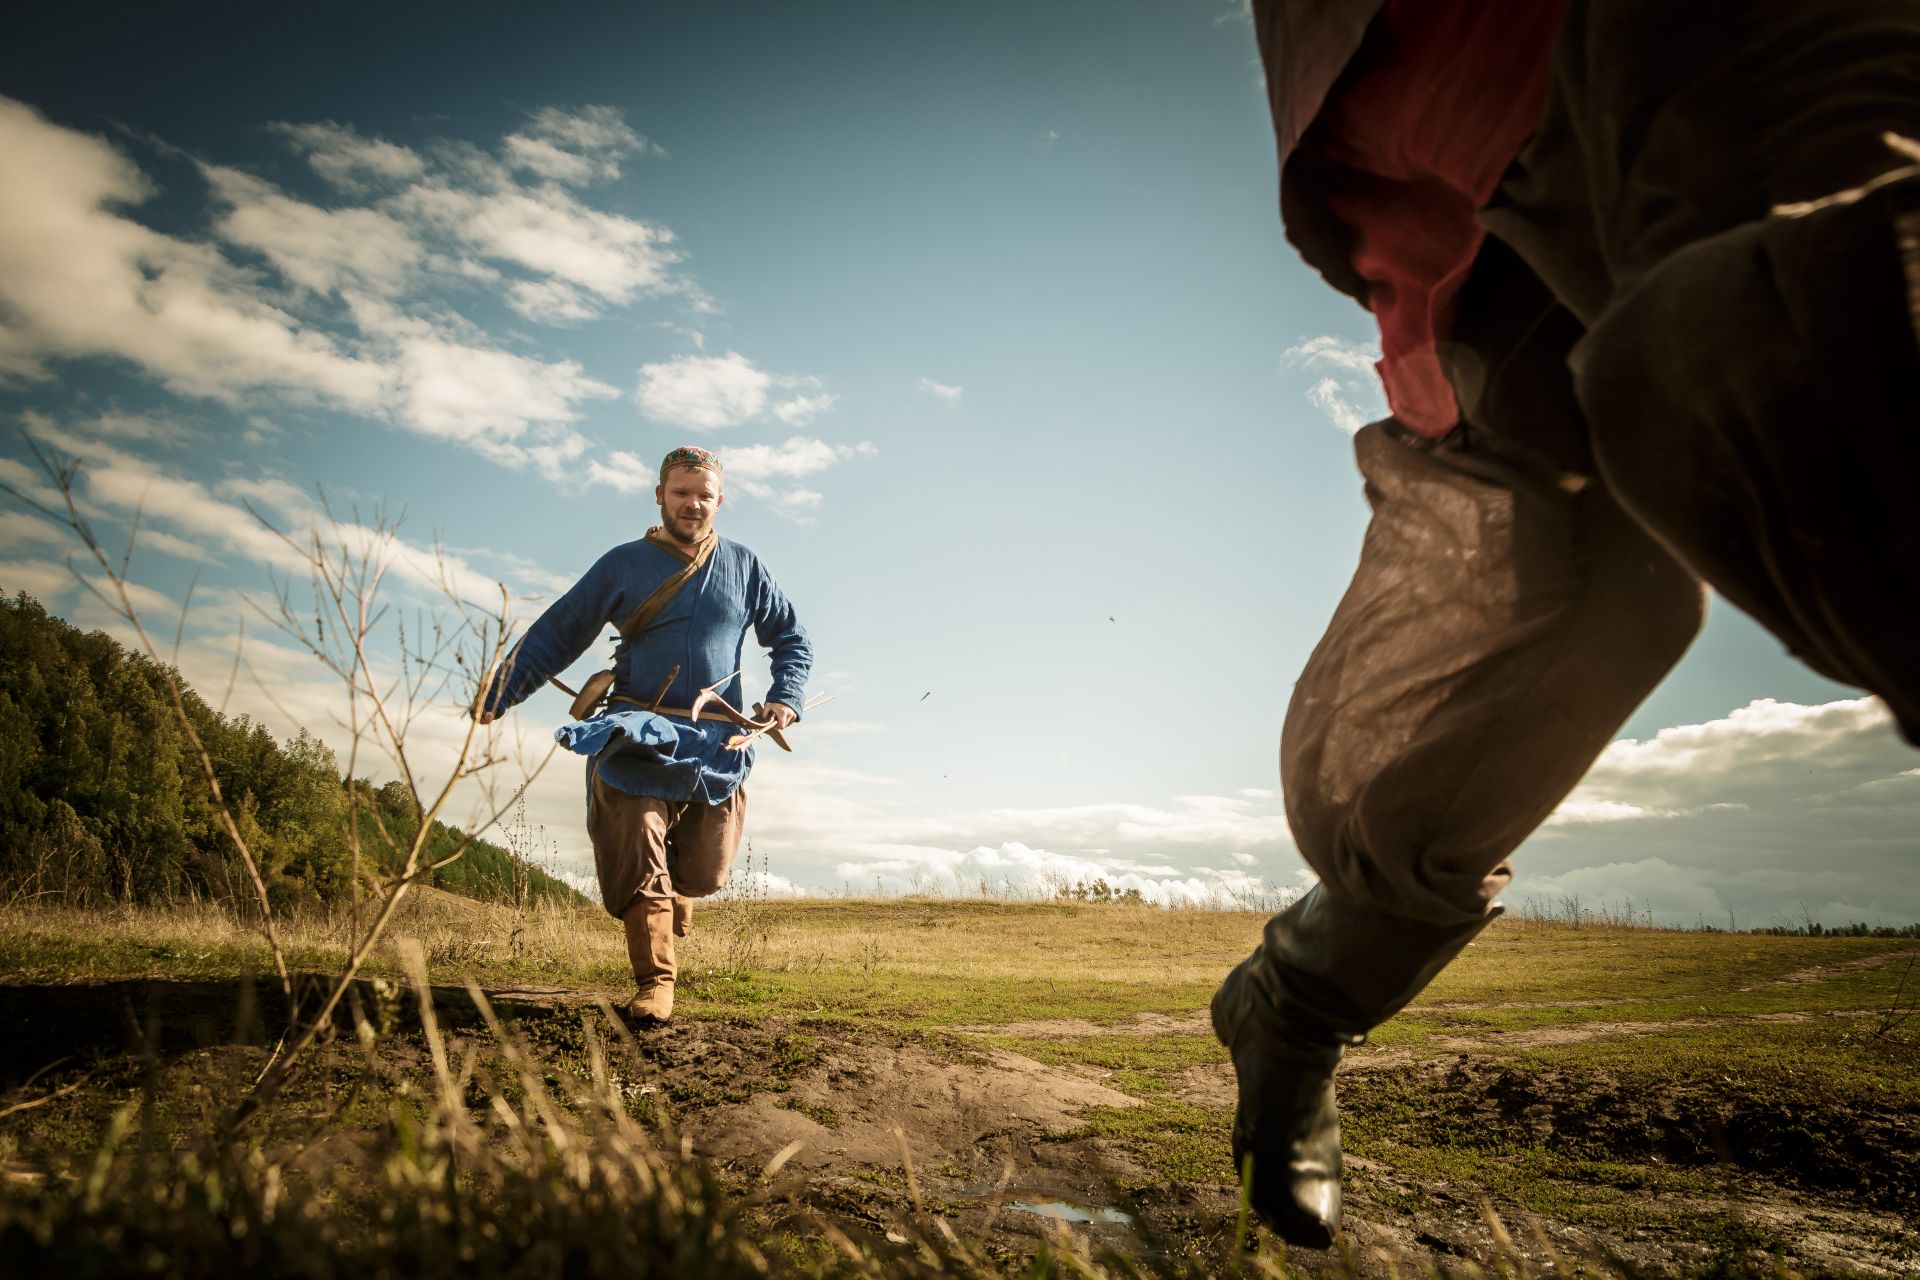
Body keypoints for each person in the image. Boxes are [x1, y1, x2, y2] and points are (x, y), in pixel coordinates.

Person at [1214, 0, 1920, 1247]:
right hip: (1514, 78)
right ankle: (1304, 999)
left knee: (1797, 386)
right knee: (1613, 586)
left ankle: (1298, 997)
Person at [477, 445, 812, 1025]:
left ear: (720, 500)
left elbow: (791, 638)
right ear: (660, 496)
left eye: (704, 494)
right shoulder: (622, 564)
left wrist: (785, 698)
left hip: (715, 742)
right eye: (681, 493)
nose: (693, 504)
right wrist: (500, 694)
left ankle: (678, 891)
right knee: (637, 848)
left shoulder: (745, 565)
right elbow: (559, 631)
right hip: (635, 733)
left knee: (706, 872)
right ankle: (656, 982)